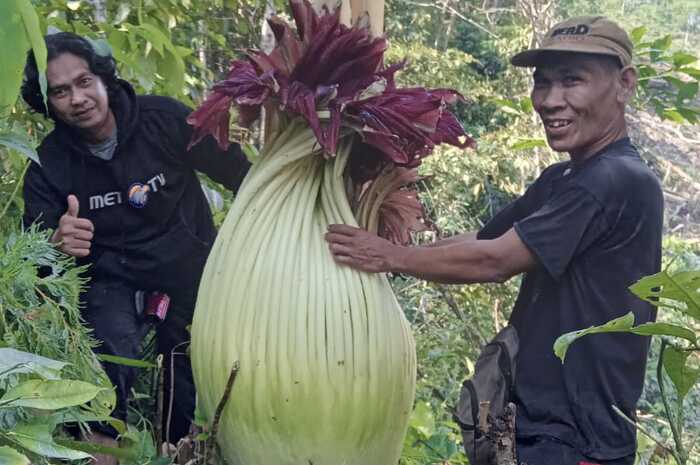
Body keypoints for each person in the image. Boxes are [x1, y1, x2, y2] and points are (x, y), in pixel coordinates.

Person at [325, 16, 663, 465]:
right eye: (542, 84)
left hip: (576, 443)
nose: (549, 100)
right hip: (535, 430)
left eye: (571, 81)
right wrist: (380, 247)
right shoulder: (564, 177)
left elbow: (495, 261)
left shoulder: (615, 179)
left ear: (624, 84)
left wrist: (389, 257)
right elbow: (485, 238)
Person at [21, 32, 250, 456]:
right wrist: (56, 242)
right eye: (60, 91)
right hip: (112, 280)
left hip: (190, 267)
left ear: (103, 77)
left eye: (84, 81)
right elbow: (33, 260)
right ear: (47, 103)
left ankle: (178, 447)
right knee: (104, 353)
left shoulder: (164, 119)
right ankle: (101, 448)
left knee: (190, 365)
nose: (79, 98)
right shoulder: (47, 164)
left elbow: (243, 175)